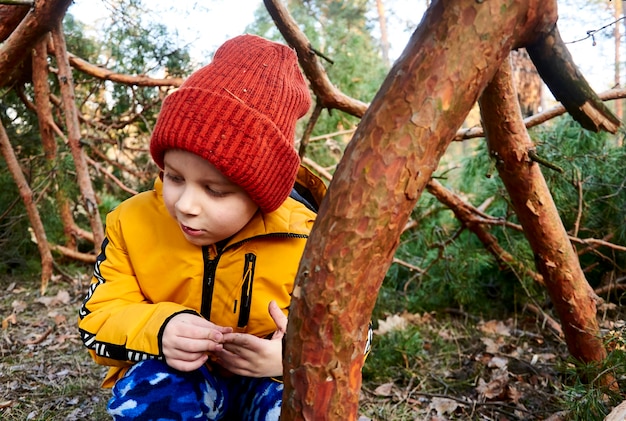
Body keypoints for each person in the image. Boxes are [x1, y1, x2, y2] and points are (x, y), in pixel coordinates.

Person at [78, 34, 327, 420]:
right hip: (179, 380)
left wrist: (290, 357)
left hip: (267, 382)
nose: (186, 205)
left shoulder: (307, 237)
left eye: (215, 190)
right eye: (174, 177)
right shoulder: (133, 223)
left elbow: (353, 336)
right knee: (156, 393)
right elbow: (97, 318)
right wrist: (160, 330)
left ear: (263, 194)